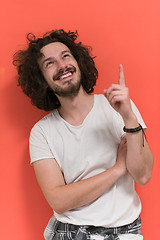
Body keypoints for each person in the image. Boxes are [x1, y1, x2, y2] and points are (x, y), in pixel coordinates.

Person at [13, 29, 153, 240]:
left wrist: (129, 117)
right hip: (69, 232)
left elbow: (142, 175)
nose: (62, 66)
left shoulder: (118, 108)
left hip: (125, 231)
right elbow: (58, 200)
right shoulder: (42, 132)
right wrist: (117, 170)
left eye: (66, 56)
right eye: (49, 63)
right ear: (41, 79)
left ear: (78, 62)